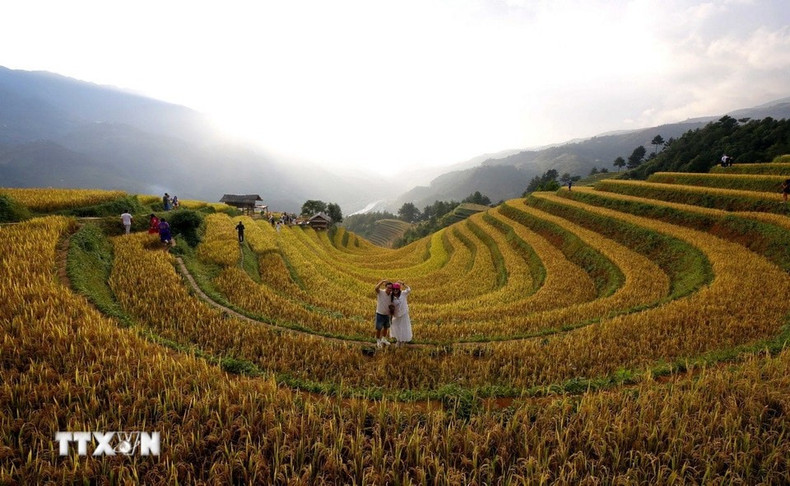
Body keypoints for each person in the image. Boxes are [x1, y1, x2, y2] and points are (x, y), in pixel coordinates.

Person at [374, 279, 394, 348]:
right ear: (385, 287)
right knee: (379, 328)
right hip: (380, 313)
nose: (389, 289)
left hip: (387, 314)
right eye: (388, 287)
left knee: (386, 328)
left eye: (391, 288)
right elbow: (376, 288)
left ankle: (383, 339)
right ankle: (378, 340)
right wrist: (382, 282)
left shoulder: (391, 295)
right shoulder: (381, 292)